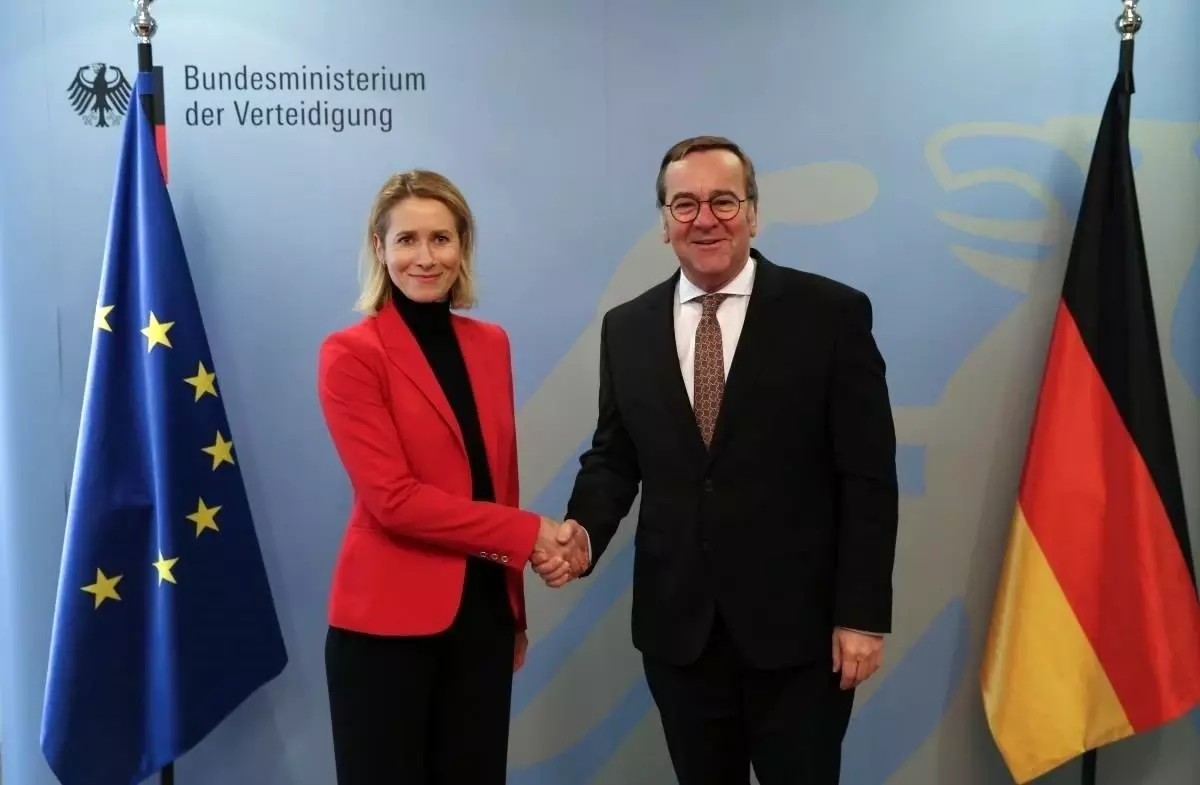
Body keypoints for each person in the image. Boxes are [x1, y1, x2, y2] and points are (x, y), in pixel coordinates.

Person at [534, 136, 899, 784]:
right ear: (664, 222)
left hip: (802, 637)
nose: (705, 219)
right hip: (680, 635)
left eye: (723, 201)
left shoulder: (831, 314)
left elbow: (867, 478)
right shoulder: (627, 327)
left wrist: (862, 615)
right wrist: (582, 533)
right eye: (685, 204)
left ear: (753, 213)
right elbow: (615, 456)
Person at [317, 169, 585, 785]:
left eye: (441, 238)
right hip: (385, 629)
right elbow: (394, 501)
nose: (425, 257)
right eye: (406, 239)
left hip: (483, 621)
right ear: (379, 248)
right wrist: (530, 534)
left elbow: (496, 484)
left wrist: (513, 608)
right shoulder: (350, 353)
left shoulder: (491, 343)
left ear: (462, 246)